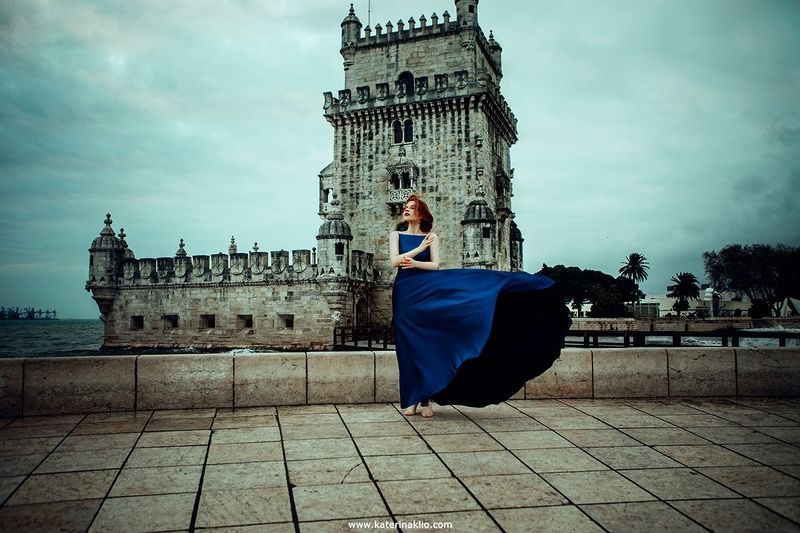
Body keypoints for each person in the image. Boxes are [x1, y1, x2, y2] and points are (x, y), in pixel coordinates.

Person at [390, 194, 571, 418]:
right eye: (406, 207)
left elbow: (434, 265)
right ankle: (411, 399)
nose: (406, 210)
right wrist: (417, 251)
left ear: (421, 214)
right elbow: (395, 261)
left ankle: (425, 401)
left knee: (428, 343)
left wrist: (416, 262)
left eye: (412, 208)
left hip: (425, 289)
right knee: (407, 345)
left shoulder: (432, 237)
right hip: (404, 292)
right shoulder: (396, 235)